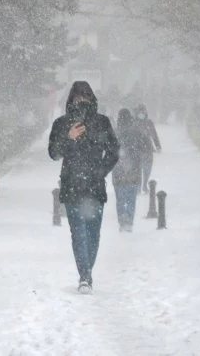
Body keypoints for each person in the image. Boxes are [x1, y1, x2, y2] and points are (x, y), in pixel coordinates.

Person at [49, 81, 119, 294]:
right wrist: (67, 137)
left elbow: (114, 151)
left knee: (93, 234)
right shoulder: (61, 124)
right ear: (70, 99)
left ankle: (86, 272)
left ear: (92, 98)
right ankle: (85, 276)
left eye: (85, 96)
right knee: (78, 232)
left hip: (95, 188)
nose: (82, 101)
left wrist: (100, 171)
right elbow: (54, 153)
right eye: (77, 97)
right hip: (71, 186)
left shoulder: (101, 122)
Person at [112, 109, 147, 232]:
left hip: (118, 172)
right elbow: (143, 148)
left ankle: (122, 220)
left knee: (120, 198)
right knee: (131, 198)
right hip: (134, 170)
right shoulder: (136, 132)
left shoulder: (114, 133)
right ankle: (129, 221)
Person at [135, 104, 161, 193]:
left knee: (147, 169)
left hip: (148, 148)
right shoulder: (133, 122)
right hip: (136, 149)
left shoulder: (149, 123)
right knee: (138, 169)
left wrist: (158, 145)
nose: (141, 114)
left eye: (143, 112)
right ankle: (138, 186)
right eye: (140, 112)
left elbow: (154, 135)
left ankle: (144, 184)